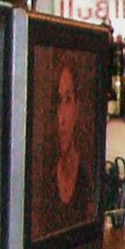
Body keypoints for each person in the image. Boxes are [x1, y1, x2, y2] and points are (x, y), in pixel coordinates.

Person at [41, 59, 96, 237]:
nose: (61, 118)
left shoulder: (88, 179)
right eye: (57, 102)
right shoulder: (43, 179)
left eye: (67, 100)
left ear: (77, 107)